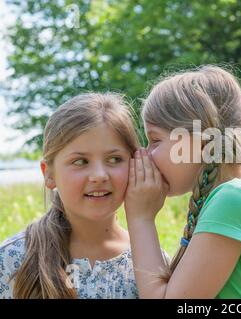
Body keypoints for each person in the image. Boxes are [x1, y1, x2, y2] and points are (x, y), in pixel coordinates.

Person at [125, 65, 241, 298]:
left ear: (198, 143)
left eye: (155, 140)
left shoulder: (235, 199)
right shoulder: (231, 198)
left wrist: (141, 218)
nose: (147, 154)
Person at [0, 93, 145, 298]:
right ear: (49, 174)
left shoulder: (148, 262)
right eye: (80, 161)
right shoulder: (13, 259)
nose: (99, 176)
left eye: (114, 159)